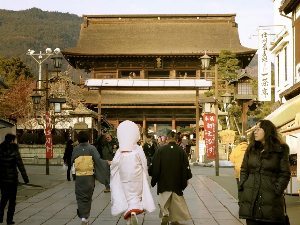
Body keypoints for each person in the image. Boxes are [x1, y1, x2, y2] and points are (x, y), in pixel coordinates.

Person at [238, 120, 291, 225]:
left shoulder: (280, 150)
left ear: (267, 131)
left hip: (271, 201)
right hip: (250, 198)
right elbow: (244, 169)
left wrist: (277, 190)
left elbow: (285, 173)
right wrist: (242, 186)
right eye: (255, 129)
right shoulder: (251, 149)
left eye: (258, 129)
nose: (255, 132)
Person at [110, 120, 155, 225]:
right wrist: (146, 173)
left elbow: (114, 164)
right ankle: (133, 212)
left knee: (126, 196)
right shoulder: (137, 149)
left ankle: (129, 219)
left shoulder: (120, 151)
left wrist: (113, 172)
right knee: (135, 195)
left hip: (124, 176)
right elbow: (144, 162)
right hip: (136, 175)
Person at [150, 130, 192, 225]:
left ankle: (165, 213)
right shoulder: (181, 151)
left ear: (167, 139)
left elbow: (155, 167)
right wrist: (186, 178)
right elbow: (186, 167)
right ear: (176, 140)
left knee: (164, 200)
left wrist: (153, 179)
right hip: (177, 182)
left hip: (164, 181)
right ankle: (174, 220)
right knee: (175, 202)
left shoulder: (160, 150)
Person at [72, 131, 110, 225]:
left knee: (80, 197)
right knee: (88, 197)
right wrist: (107, 163)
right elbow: (98, 160)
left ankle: (83, 218)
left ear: (78, 139)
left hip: (79, 177)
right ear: (88, 138)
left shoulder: (76, 149)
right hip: (89, 177)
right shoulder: (91, 148)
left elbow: (72, 161)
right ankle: (86, 217)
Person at [0, 133, 29, 225]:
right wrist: (25, 178)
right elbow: (20, 165)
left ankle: (0, 218)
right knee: (12, 200)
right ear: (12, 140)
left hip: (2, 179)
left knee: (3, 199)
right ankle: (9, 220)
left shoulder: (0, 149)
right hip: (12, 179)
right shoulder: (14, 150)